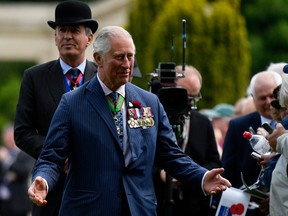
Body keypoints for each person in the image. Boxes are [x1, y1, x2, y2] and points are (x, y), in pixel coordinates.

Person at [27, 25, 231, 216]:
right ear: (98, 58)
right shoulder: (72, 103)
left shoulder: (150, 102)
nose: (127, 65)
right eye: (119, 57)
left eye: (130, 57)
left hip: (139, 208)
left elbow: (171, 155)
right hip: (89, 209)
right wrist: (43, 180)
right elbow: (52, 157)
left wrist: (202, 177)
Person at [13, 1, 98, 215]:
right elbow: (22, 132)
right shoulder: (34, 77)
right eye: (62, 30)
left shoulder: (104, 77)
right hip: (50, 193)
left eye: (74, 30)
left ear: (89, 38)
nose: (67, 36)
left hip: (96, 192)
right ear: (55, 37)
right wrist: (60, 156)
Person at [154, 65, 222, 216]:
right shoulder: (153, 119)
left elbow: (214, 162)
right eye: (186, 97)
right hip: (158, 203)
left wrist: (190, 174)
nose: (190, 104)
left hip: (194, 205)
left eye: (195, 97)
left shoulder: (204, 123)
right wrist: (160, 173)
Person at [221, 70, 282, 216]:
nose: (268, 102)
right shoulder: (238, 126)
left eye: (272, 96)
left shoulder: (286, 124)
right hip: (248, 207)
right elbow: (228, 170)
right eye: (262, 98)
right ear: (253, 99)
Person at [0, 123, 35, 216]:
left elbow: (25, 171)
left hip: (18, 203)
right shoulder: (2, 152)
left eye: (10, 135)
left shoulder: (25, 153)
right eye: (6, 136)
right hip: (2, 202)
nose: (8, 139)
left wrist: (7, 160)